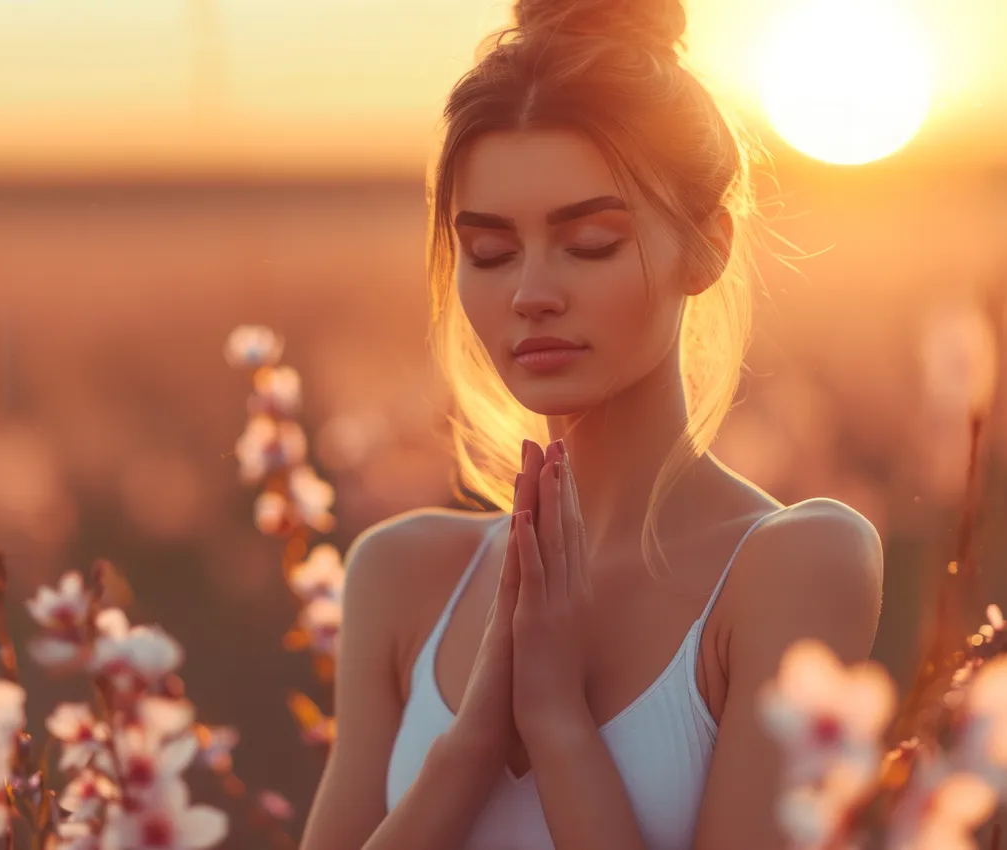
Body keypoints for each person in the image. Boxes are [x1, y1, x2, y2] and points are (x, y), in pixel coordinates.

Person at [301, 0, 883, 847]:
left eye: (591, 243)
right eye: (491, 253)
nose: (531, 292)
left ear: (707, 244)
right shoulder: (400, 577)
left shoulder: (793, 566)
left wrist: (556, 723)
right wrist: (469, 748)